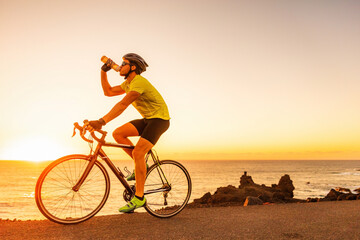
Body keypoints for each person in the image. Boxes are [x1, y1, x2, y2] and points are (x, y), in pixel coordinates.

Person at [84, 53, 170, 213]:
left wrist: (101, 121)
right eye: (120, 63)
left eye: (124, 63)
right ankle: (143, 165)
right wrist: (103, 71)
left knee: (138, 152)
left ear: (132, 67)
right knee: (118, 134)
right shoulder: (128, 84)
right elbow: (108, 92)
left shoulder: (139, 82)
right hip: (148, 119)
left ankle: (139, 198)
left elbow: (123, 104)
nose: (120, 65)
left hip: (160, 120)